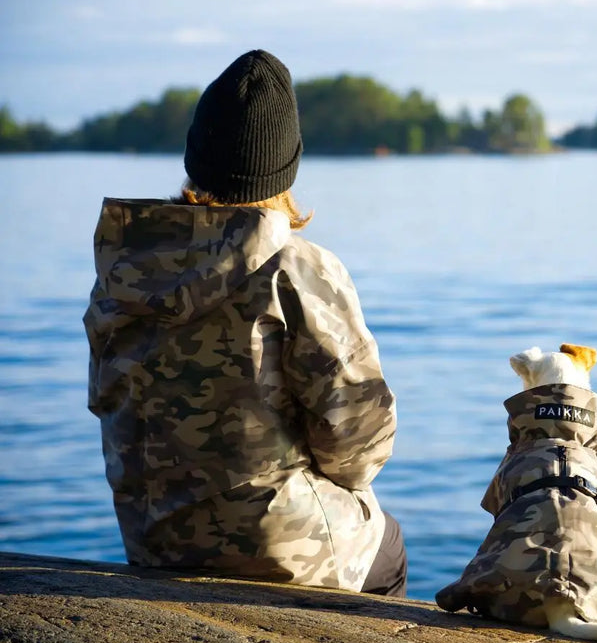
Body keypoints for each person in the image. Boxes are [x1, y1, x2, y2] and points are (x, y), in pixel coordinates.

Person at [83, 49, 406, 596]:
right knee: (388, 546)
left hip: (151, 539)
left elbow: (107, 401)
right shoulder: (298, 267)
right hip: (280, 547)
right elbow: (357, 441)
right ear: (287, 165)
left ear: (195, 157)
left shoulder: (125, 265)